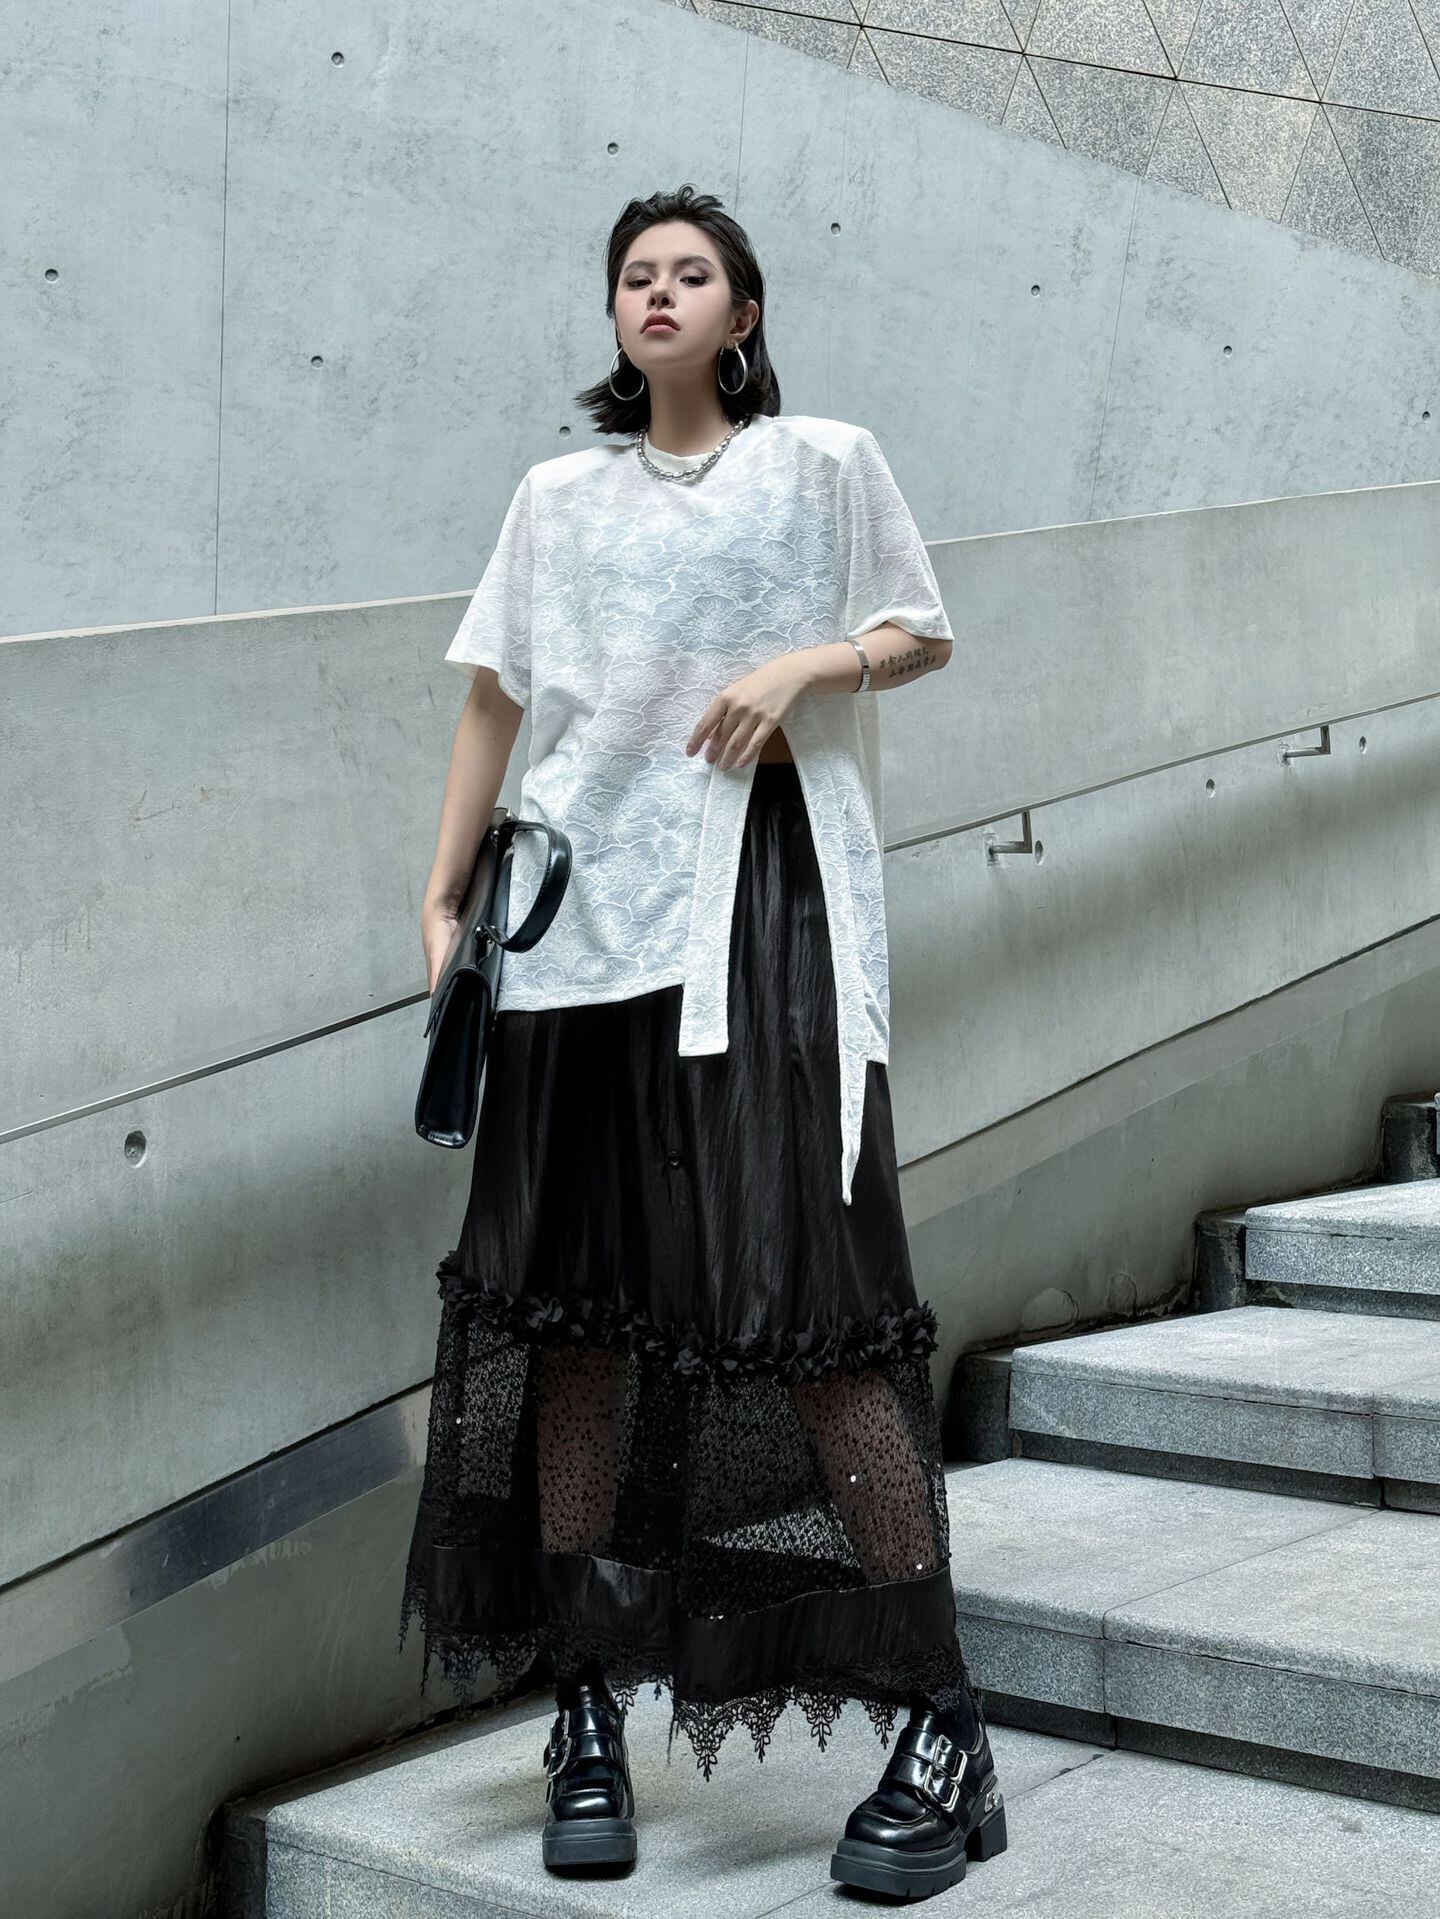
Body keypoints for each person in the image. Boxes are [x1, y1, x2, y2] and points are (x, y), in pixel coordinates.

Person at [398, 184, 1006, 1903]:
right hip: (570, 928)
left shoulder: (823, 464)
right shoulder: (556, 497)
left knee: (811, 1306)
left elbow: (922, 628)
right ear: (616, 316)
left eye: (691, 274)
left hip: (761, 919)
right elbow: (497, 695)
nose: (657, 293)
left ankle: (942, 1722)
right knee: (575, 1327)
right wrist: (439, 897)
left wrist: (810, 662)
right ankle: (586, 1703)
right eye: (634, 276)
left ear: (744, 313)